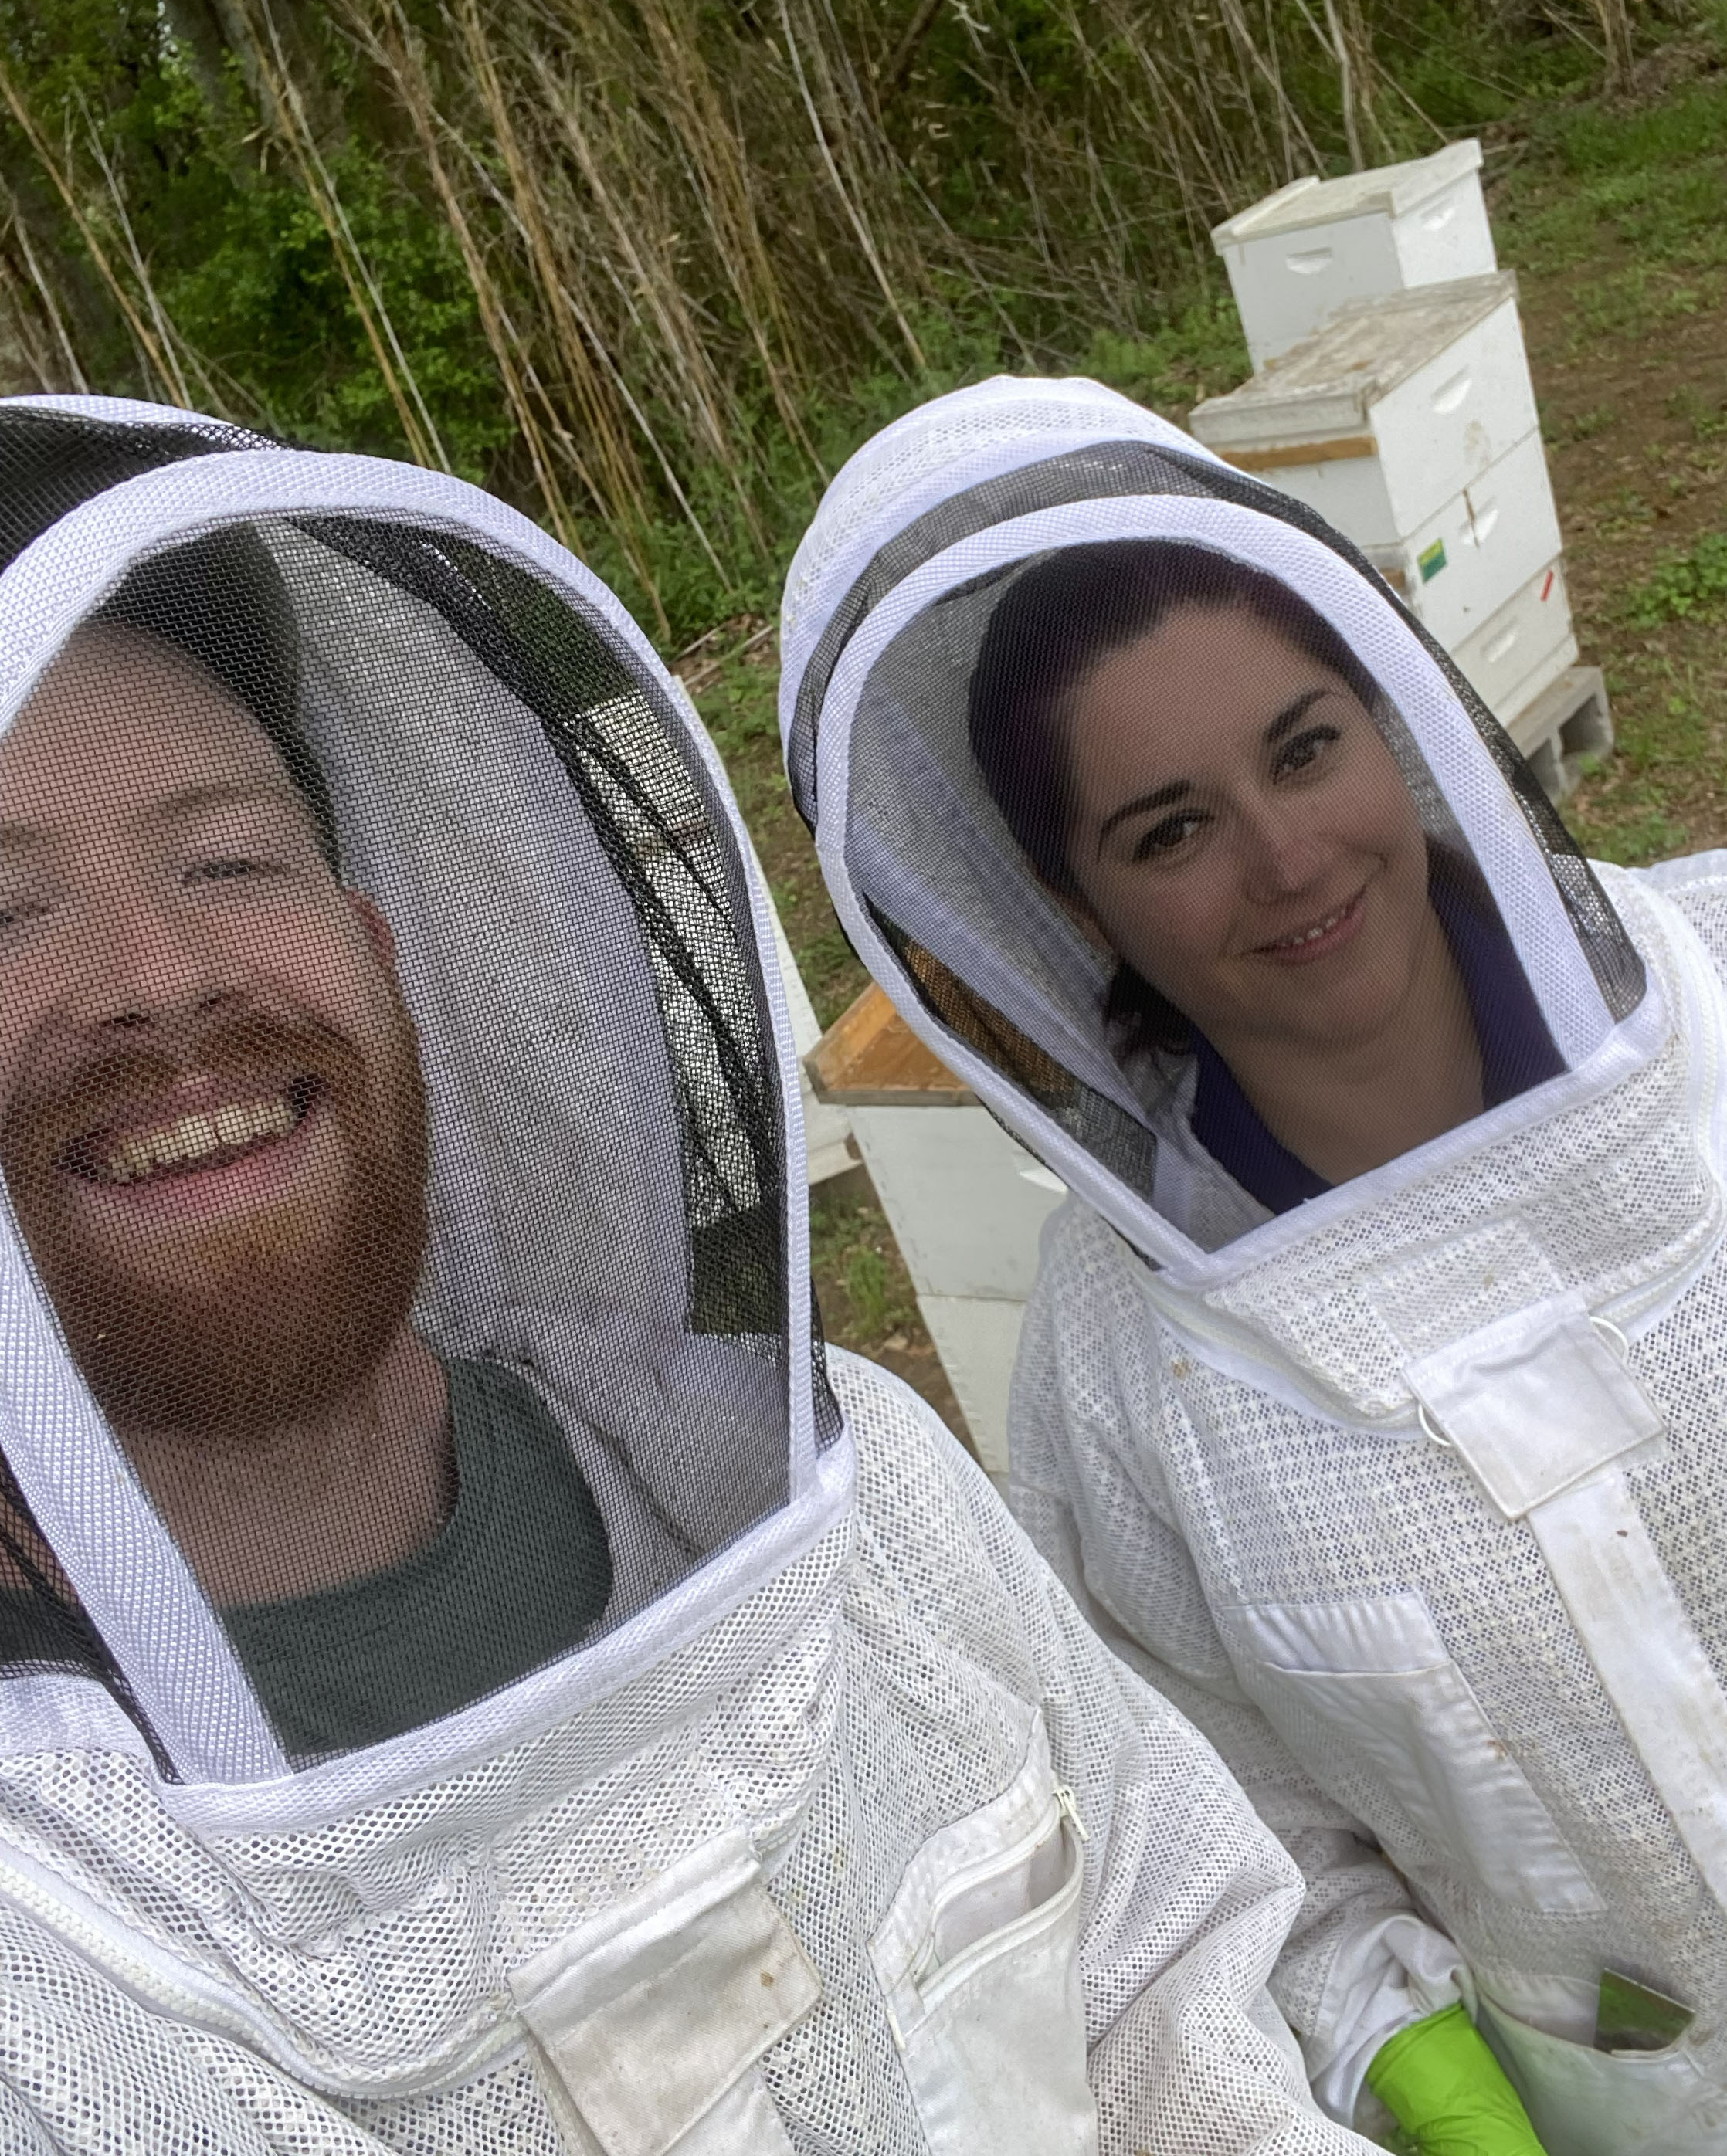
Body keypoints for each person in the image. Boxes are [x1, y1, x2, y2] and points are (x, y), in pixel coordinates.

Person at [0, 395, 1376, 2156]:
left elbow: (1176, 1991)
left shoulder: (845, 1485)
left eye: (231, 858)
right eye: (2, 910)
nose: (158, 972)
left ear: (376, 951)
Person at [780, 373, 1727, 2156]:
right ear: (1067, 909)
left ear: (1392, 717)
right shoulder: (1113, 1373)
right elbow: (1249, 1845)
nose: (1286, 857)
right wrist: (1450, 2110)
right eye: (1167, 828)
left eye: (1303, 749)